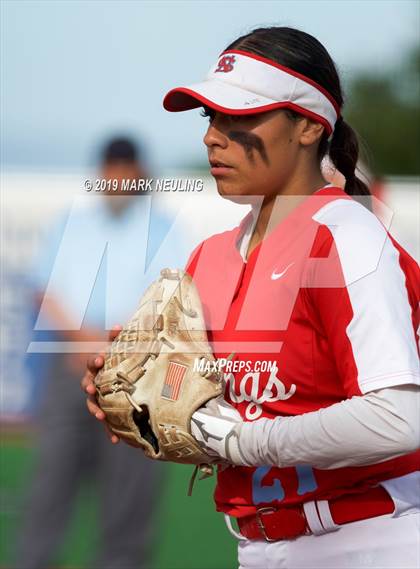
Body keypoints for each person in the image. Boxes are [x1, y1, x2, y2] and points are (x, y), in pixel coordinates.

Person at [82, 28, 420, 569]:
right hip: (259, 546)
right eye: (210, 118)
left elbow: (398, 418)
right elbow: (219, 416)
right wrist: (140, 402)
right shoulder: (209, 257)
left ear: (310, 125)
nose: (214, 137)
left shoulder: (345, 236)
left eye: (240, 117)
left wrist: (242, 440)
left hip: (370, 538)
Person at [17, 137, 187, 569]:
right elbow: (45, 289)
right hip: (71, 365)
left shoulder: (163, 227)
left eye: (126, 171)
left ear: (139, 174)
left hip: (136, 378)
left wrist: (117, 351)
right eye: (111, 171)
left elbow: (169, 299)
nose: (118, 180)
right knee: (50, 483)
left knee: (128, 495)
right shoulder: (72, 223)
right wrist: (83, 342)